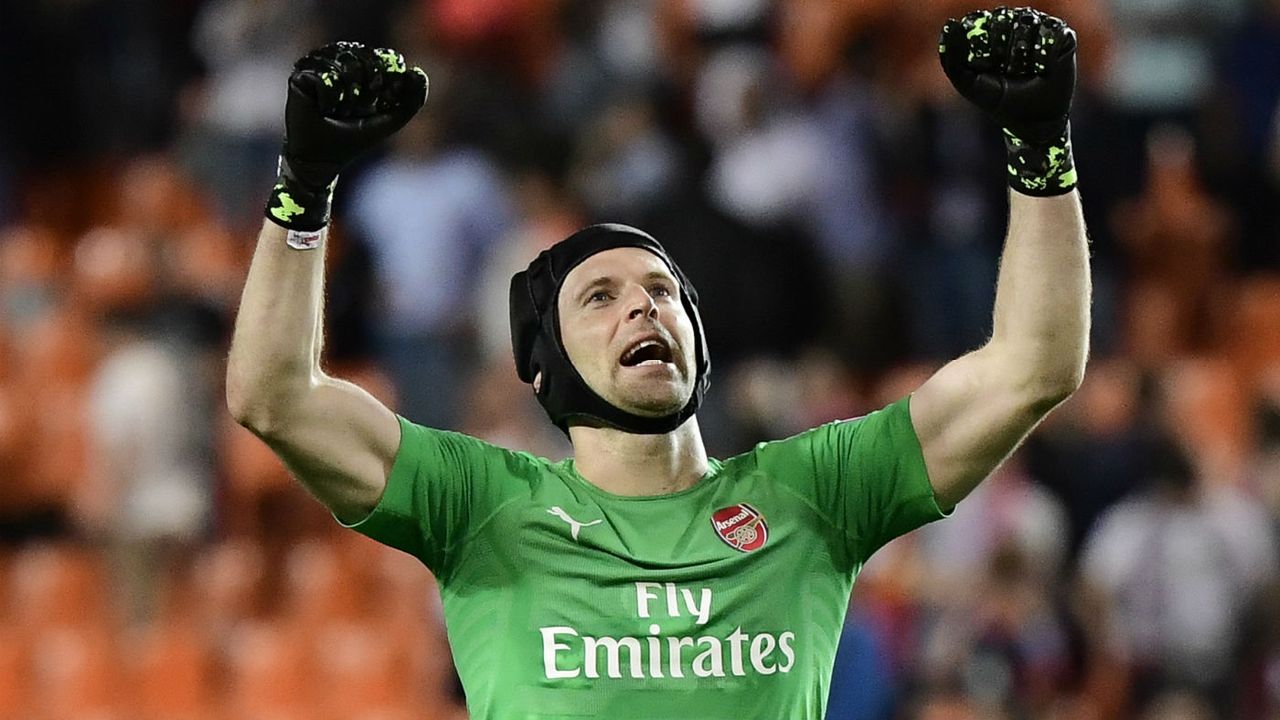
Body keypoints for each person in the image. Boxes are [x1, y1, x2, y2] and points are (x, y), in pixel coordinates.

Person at [226, 9, 1090, 718]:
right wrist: (304, 187)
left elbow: (1034, 367)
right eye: (598, 296)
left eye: (662, 290)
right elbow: (273, 395)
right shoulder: (480, 506)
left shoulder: (813, 495)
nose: (643, 304)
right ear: (542, 364)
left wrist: (1040, 152)